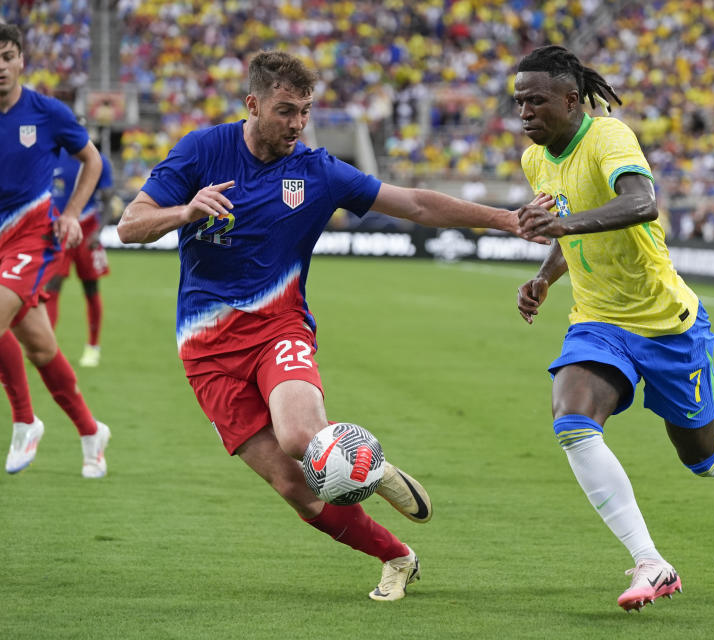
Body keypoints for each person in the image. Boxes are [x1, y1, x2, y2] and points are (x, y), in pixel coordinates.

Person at [117, 50, 549, 602]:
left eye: (305, 111)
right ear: (252, 104)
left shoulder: (318, 171)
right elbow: (131, 224)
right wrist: (184, 211)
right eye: (285, 111)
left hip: (279, 330)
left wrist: (504, 219)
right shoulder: (203, 151)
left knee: (301, 436)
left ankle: (366, 464)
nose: (297, 123)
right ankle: (398, 557)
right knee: (294, 486)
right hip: (206, 352)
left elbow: (413, 202)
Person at [511, 45, 714, 612]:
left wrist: (561, 223)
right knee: (572, 419)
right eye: (518, 103)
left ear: (568, 98)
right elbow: (570, 235)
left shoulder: (609, 138)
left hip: (667, 325)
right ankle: (651, 562)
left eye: (536, 101)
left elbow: (641, 204)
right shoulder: (535, 161)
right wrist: (543, 277)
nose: (525, 113)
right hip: (598, 321)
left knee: (701, 457)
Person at [0, 24, 111, 477]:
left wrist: (72, 214)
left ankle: (25, 421)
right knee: (41, 348)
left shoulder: (46, 112)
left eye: (7, 56)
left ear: (21, 60)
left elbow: (93, 160)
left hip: (31, 237)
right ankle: (90, 431)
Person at [46, 145, 114, 367]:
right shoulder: (52, 155)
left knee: (90, 288)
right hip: (58, 230)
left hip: (86, 230)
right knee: (52, 287)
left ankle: (93, 347)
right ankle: (48, 346)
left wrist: (98, 231)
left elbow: (108, 200)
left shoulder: (97, 160)